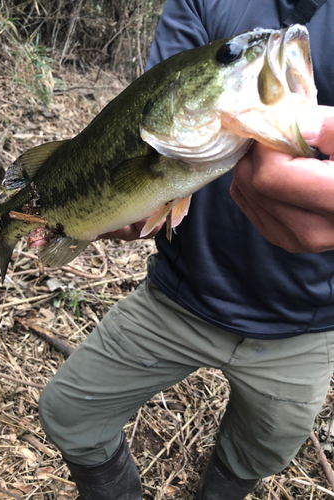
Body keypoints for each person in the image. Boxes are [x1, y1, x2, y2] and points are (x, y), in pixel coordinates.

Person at [38, 1, 334, 499]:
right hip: (180, 295)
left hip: (305, 327)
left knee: (263, 452)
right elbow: (156, 118)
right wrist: (117, 208)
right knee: (68, 411)